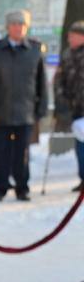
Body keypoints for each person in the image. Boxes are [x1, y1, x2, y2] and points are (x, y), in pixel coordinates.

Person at [0, 9, 48, 202]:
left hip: (25, 112)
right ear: (8, 27)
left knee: (22, 153)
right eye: (15, 24)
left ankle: (22, 186)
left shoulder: (34, 51)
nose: (18, 28)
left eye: (22, 24)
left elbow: (41, 82)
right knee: (0, 152)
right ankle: (0, 187)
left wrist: (41, 106)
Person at [57, 20, 84, 192]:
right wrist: (62, 99)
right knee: (80, 146)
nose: (69, 39)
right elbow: (60, 79)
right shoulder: (67, 55)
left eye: (73, 36)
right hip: (75, 108)